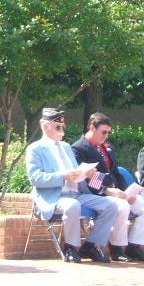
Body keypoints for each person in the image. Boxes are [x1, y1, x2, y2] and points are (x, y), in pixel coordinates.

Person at [26, 108, 118, 263]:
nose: (62, 131)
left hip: (77, 193)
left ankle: (90, 245)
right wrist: (63, 176)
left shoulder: (67, 147)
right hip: (55, 197)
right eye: (58, 127)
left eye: (63, 127)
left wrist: (87, 174)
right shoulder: (35, 148)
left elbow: (78, 174)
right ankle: (70, 247)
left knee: (112, 205)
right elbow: (35, 178)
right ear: (44, 126)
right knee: (72, 205)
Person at [71, 112, 144, 261]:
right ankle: (116, 248)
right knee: (122, 206)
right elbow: (85, 178)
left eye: (109, 132)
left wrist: (126, 192)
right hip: (97, 194)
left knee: (141, 204)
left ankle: (134, 245)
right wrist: (108, 191)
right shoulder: (78, 149)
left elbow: (116, 173)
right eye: (104, 132)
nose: (106, 135)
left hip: (116, 192)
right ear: (92, 127)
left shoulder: (106, 148)